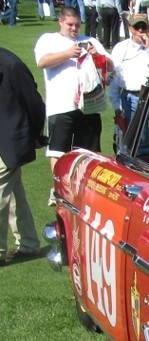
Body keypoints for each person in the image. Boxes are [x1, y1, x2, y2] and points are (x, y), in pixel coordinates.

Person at [35, 6, 109, 180]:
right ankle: (58, 188)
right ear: (60, 21)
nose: (74, 29)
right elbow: (42, 61)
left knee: (89, 153)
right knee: (58, 151)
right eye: (70, 25)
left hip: (89, 105)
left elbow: (110, 66)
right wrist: (67, 54)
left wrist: (96, 55)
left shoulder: (90, 40)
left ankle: (83, 188)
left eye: (77, 25)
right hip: (61, 105)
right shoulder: (49, 39)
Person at [0, 47, 47, 265]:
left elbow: (35, 104)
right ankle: (29, 243)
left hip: (10, 139)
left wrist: (35, 134)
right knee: (13, 194)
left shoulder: (11, 64)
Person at [109, 15, 149, 147]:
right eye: (137, 27)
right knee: (138, 143)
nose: (140, 30)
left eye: (143, 27)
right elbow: (114, 77)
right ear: (130, 29)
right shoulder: (120, 48)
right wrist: (116, 105)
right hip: (130, 98)